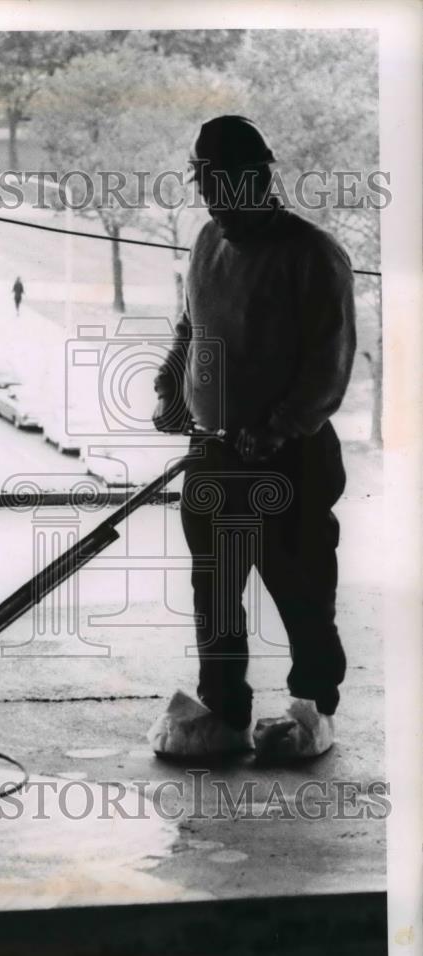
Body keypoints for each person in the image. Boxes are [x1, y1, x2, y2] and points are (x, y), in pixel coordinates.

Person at [148, 115, 357, 761]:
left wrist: (273, 430)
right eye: (207, 187)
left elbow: (328, 367)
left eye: (227, 187)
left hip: (289, 460)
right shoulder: (206, 241)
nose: (216, 203)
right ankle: (225, 711)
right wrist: (170, 386)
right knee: (213, 591)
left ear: (259, 180)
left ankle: (312, 708)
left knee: (300, 592)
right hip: (212, 455)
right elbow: (190, 329)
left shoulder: (312, 256)